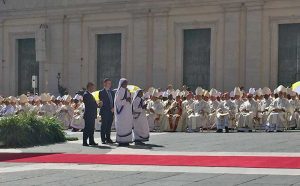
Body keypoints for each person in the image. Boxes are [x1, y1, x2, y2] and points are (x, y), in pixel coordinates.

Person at [114, 78, 133, 146]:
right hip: (121, 113)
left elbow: (130, 100)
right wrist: (126, 100)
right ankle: (121, 141)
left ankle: (127, 140)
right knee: (122, 126)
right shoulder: (119, 92)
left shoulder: (127, 91)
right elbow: (117, 102)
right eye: (124, 83)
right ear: (121, 84)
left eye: (126, 83)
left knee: (127, 125)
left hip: (127, 112)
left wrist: (129, 98)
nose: (126, 84)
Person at [99, 78, 115, 144]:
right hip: (105, 111)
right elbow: (103, 102)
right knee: (104, 125)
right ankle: (103, 139)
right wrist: (110, 109)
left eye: (110, 83)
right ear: (104, 83)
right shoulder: (101, 92)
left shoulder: (112, 92)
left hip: (111, 111)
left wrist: (113, 108)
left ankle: (108, 138)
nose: (110, 85)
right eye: (108, 83)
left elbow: (114, 101)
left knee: (109, 126)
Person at [82, 82, 98, 146]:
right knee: (87, 128)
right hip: (88, 114)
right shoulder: (86, 94)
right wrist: (96, 104)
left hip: (92, 114)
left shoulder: (90, 94)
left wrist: (97, 104)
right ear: (89, 87)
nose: (93, 88)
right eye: (92, 87)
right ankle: (84, 141)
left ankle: (91, 141)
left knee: (91, 128)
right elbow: (89, 104)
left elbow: (92, 103)